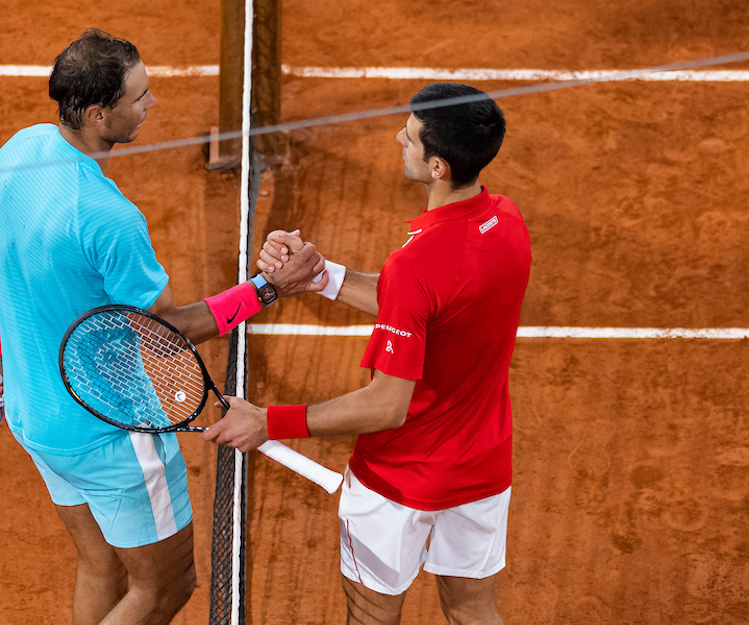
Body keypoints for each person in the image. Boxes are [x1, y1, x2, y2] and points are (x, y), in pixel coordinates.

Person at [0, 28, 326, 625]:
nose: (151, 105)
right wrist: (266, 290)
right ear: (98, 112)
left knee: (100, 566)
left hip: (35, 417)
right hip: (111, 436)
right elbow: (167, 330)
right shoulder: (109, 219)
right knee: (166, 587)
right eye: (139, 97)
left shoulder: (18, 150)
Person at [204, 83, 530, 625]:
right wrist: (322, 276)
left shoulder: (417, 264)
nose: (398, 136)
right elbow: (430, 303)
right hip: (482, 471)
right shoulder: (506, 222)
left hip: (396, 485)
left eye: (413, 135)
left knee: (371, 617)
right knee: (475, 612)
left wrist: (269, 421)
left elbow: (387, 405)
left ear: (438, 167)